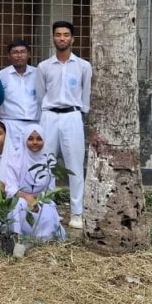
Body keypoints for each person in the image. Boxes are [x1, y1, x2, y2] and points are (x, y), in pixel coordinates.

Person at [37, 21, 92, 230]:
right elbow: (41, 95)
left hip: (72, 116)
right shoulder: (44, 67)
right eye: (58, 34)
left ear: (72, 39)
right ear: (53, 38)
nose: (62, 38)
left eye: (66, 35)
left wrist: (81, 114)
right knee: (46, 164)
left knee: (75, 166)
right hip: (49, 116)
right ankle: (48, 209)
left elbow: (85, 95)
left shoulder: (83, 66)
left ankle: (76, 212)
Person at [11, 125, 67, 242]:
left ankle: (42, 240)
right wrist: (27, 197)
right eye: (30, 139)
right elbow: (10, 188)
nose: (35, 142)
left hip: (42, 199)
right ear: (24, 139)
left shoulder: (49, 161)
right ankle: (18, 239)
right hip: (20, 199)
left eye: (39, 139)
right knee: (19, 208)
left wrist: (38, 198)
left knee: (47, 215)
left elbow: (50, 189)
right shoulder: (15, 158)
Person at [0, 39, 41, 149]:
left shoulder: (39, 74)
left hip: (35, 123)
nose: (19, 55)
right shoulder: (0, 76)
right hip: (10, 124)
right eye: (15, 52)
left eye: (23, 52)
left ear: (29, 54)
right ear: (9, 56)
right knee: (12, 159)